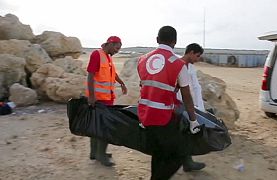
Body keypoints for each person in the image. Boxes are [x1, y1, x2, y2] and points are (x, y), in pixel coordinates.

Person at [137, 26, 201, 180]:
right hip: (163, 117)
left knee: (158, 153)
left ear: (157, 40)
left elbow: (148, 86)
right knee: (178, 153)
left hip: (144, 115)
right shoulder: (178, 64)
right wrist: (193, 121)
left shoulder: (143, 59)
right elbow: (186, 96)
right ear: (175, 42)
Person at [86, 36, 127, 166]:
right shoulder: (97, 54)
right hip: (99, 99)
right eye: (117, 48)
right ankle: (100, 154)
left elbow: (112, 74)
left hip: (107, 98)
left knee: (97, 126)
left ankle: (95, 152)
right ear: (110, 43)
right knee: (104, 127)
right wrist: (91, 97)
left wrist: (121, 83)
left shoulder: (108, 56)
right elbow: (90, 75)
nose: (117, 51)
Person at [176, 43, 206, 172]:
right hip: (176, 105)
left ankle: (187, 162)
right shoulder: (176, 65)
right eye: (197, 56)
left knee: (186, 134)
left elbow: (195, 88)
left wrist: (200, 108)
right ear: (191, 52)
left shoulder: (191, 68)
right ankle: (187, 162)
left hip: (188, 106)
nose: (198, 59)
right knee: (182, 135)